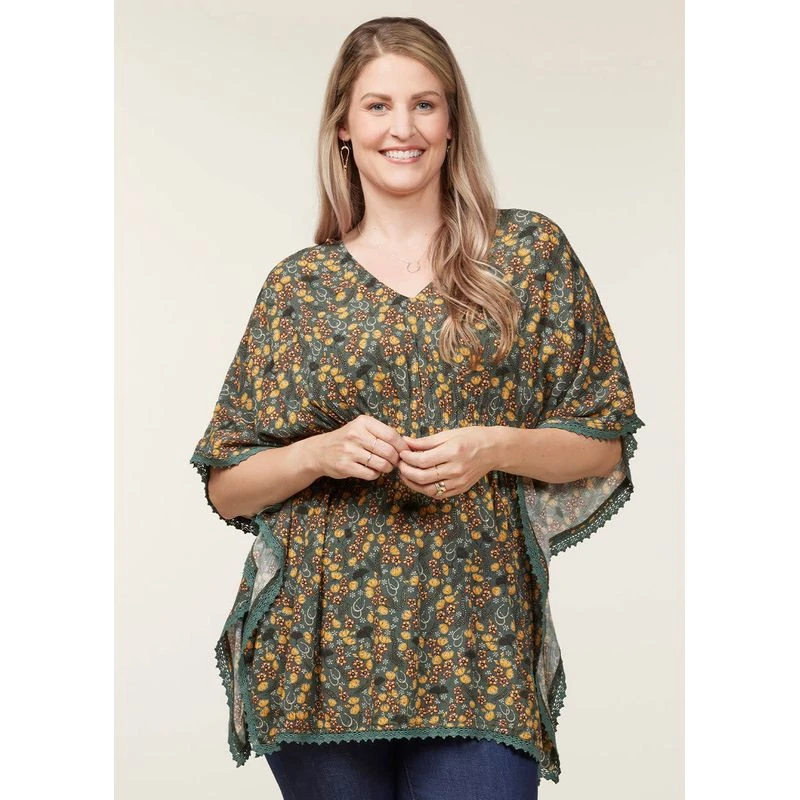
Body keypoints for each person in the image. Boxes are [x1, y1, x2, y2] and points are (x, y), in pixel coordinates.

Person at [189, 15, 645, 800]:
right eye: (378, 106)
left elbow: (602, 437)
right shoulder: (301, 288)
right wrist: (317, 453)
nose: (402, 128)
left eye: (424, 104)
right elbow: (228, 486)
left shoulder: (527, 254)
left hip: (479, 643)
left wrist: (493, 446)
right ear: (343, 127)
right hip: (320, 653)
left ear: (452, 122)